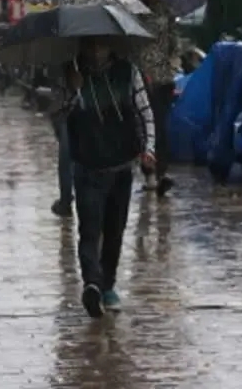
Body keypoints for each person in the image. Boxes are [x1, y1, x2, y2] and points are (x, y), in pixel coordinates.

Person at [66, 37, 155, 317]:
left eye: (101, 45)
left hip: (120, 166)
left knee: (114, 229)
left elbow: (145, 113)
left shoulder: (128, 74)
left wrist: (149, 148)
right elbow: (56, 117)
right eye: (90, 46)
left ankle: (108, 285)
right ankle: (92, 283)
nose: (95, 51)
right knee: (89, 229)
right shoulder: (72, 73)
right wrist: (72, 92)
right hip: (88, 166)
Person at [131, 0, 180, 197]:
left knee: (161, 126)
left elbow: (174, 42)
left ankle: (161, 173)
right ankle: (147, 172)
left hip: (162, 78)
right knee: (143, 126)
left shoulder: (165, 11)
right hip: (139, 76)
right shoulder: (131, 11)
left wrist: (173, 67)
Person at [49, 61, 76, 218]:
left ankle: (66, 199)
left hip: (68, 108)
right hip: (64, 107)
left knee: (66, 156)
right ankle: (66, 199)